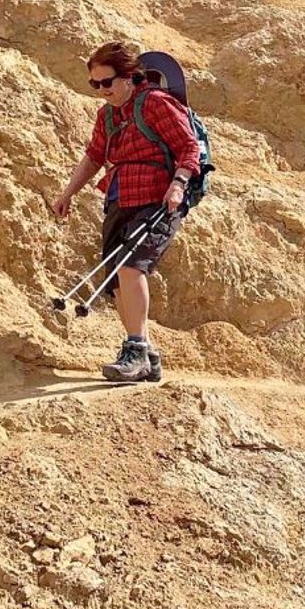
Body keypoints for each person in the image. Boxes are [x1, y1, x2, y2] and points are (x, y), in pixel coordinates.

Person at [51, 41, 199, 383]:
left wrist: (178, 184)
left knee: (132, 266)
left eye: (107, 82)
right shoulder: (107, 115)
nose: (102, 91)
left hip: (159, 199)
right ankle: (147, 355)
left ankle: (134, 350)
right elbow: (94, 156)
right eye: (95, 84)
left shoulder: (156, 104)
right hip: (119, 197)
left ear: (130, 77)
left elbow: (189, 146)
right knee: (117, 278)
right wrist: (68, 193)